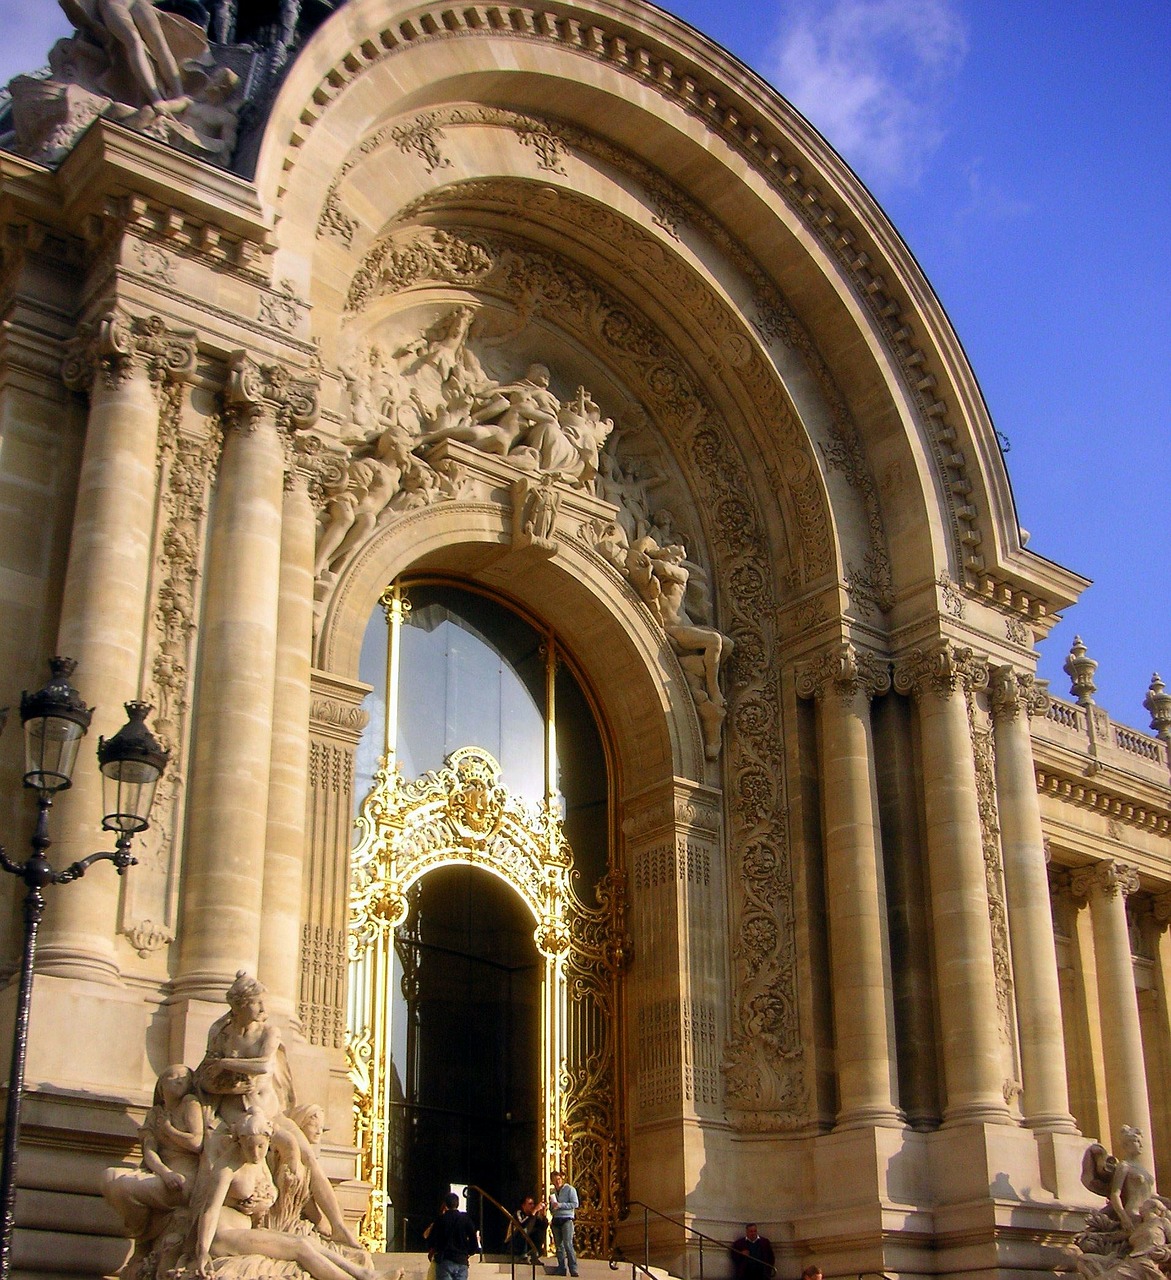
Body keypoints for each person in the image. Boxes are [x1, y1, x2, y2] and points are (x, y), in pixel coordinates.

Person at [427, 1191, 481, 1280]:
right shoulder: (466, 1220)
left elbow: (431, 1241)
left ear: (445, 1204)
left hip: (444, 1260)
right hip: (461, 1261)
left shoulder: (440, 1220)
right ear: (458, 1204)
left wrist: (435, 1250)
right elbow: (473, 1241)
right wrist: (468, 1253)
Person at [549, 1170, 579, 1277]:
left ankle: (573, 1268)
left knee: (568, 1244)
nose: (557, 1182)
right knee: (559, 1246)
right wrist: (552, 1208)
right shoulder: (553, 1192)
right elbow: (551, 1207)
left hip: (567, 1219)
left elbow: (575, 1204)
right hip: (556, 1219)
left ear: (562, 1179)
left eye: (558, 1179)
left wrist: (560, 1205)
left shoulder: (570, 1189)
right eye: (555, 1180)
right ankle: (561, 1267)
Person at [506, 1194, 548, 1260]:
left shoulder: (534, 1216)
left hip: (527, 1243)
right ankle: (523, 1256)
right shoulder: (518, 1213)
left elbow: (543, 1227)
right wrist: (534, 1212)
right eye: (530, 1204)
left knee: (539, 1232)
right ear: (523, 1205)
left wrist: (543, 1215)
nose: (532, 1206)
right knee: (524, 1230)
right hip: (515, 1242)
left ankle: (535, 1256)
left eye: (533, 1204)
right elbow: (522, 1225)